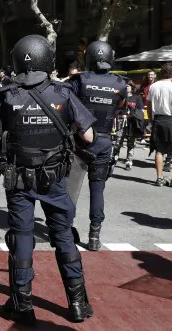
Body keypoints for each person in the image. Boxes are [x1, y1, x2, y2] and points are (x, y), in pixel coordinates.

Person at [0, 35, 96, 325]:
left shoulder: (7, 96)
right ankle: (77, 303)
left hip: (19, 181)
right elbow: (88, 136)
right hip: (54, 178)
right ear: (47, 61)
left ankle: (23, 307)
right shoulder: (63, 94)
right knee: (64, 236)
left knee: (22, 240)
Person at [69, 41, 126, 251]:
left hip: (80, 138)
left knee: (71, 188)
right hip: (103, 140)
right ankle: (94, 235)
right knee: (98, 189)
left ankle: (66, 228)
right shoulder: (120, 84)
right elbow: (119, 107)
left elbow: (68, 103)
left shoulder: (79, 80)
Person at [120, 82, 145, 171]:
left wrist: (133, 113)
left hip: (132, 123)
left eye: (128, 86)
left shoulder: (136, 97)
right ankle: (113, 160)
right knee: (118, 142)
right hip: (121, 121)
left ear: (132, 87)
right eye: (125, 86)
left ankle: (129, 161)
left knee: (131, 143)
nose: (127, 87)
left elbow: (141, 110)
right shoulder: (120, 96)